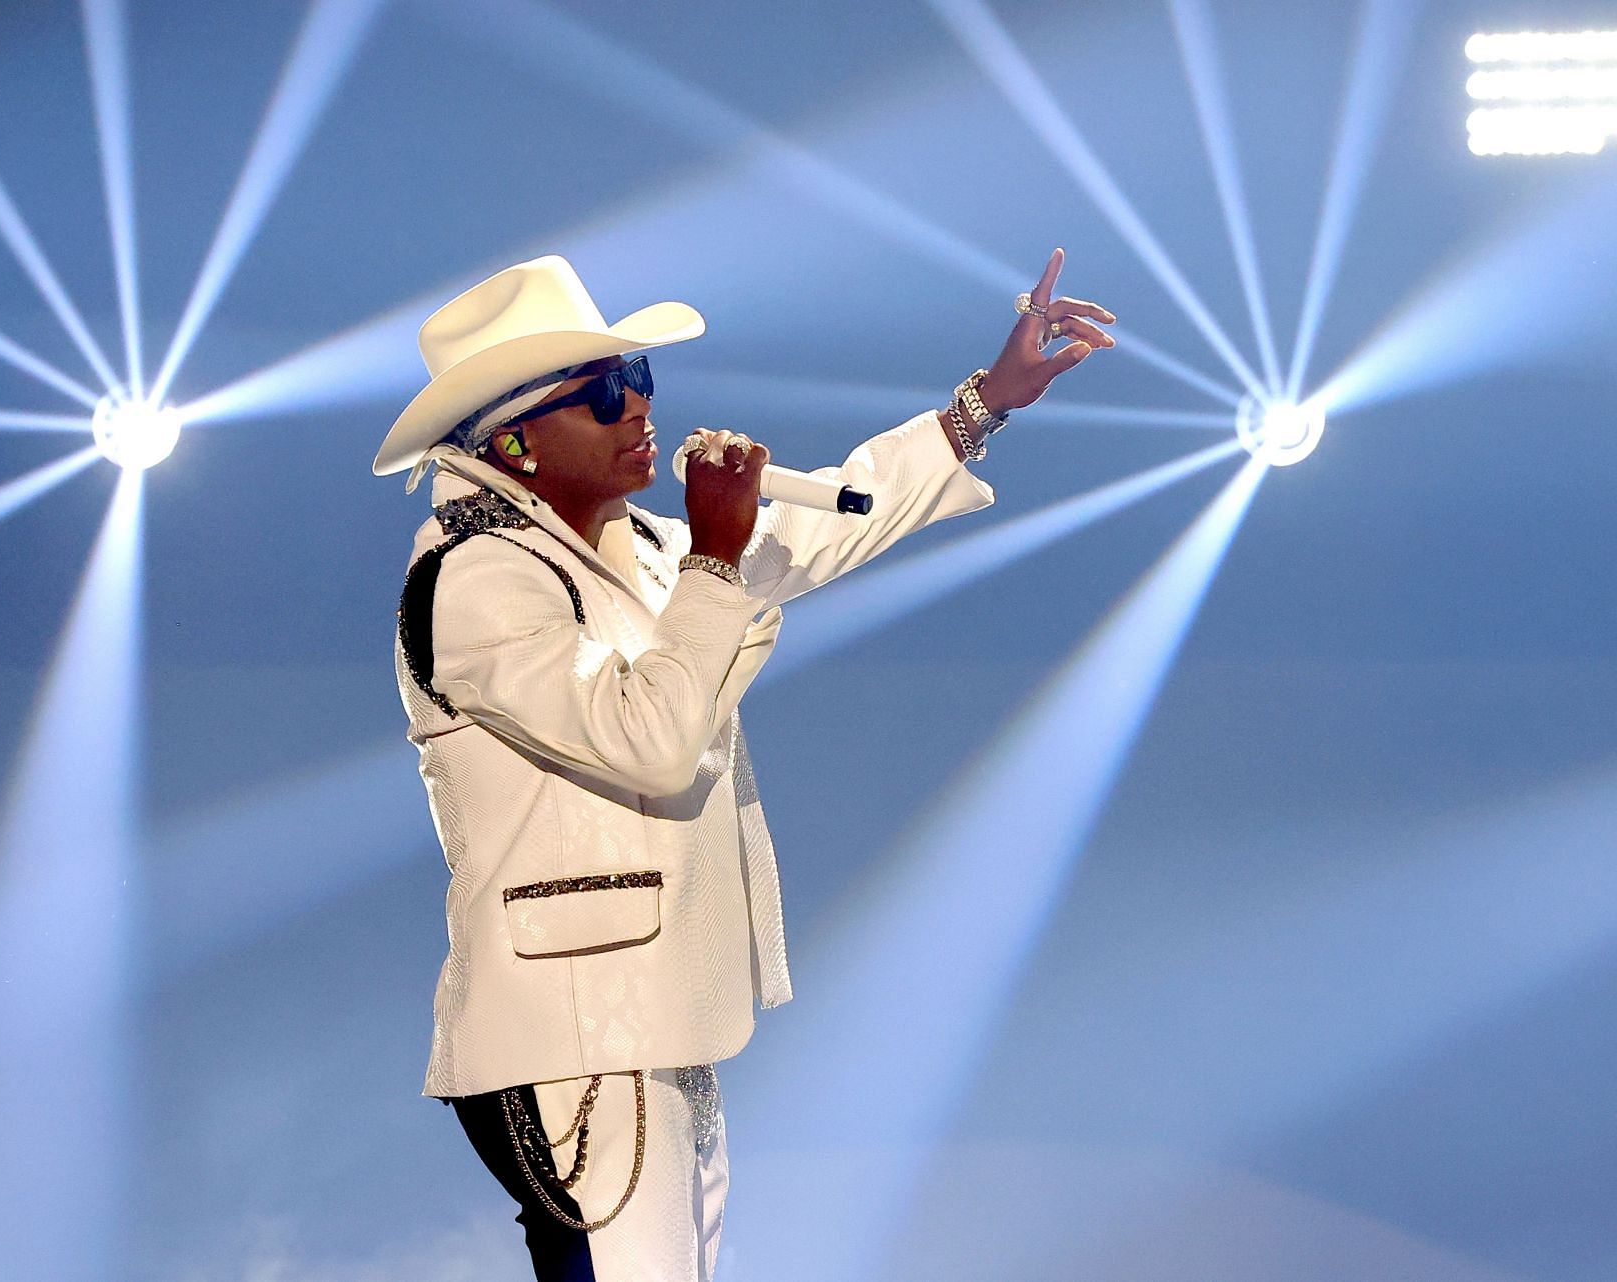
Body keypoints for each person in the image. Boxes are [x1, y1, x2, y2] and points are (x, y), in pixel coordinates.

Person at [375, 251, 1115, 1280]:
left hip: (652, 1011)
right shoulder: (476, 580)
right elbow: (649, 733)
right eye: (599, 391)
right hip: (582, 1037)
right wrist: (715, 559)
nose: (637, 404)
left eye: (638, 375)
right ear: (511, 440)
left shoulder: (627, 547)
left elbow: (820, 531)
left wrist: (984, 403)